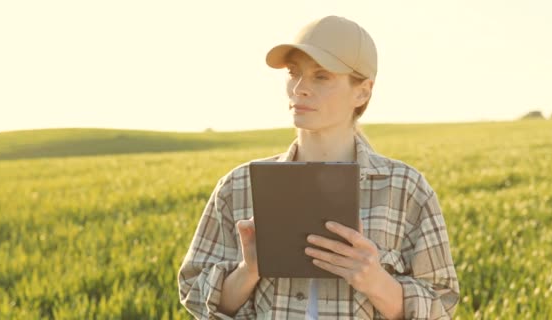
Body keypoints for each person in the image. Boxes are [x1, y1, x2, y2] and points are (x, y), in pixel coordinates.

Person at [178, 15, 459, 319]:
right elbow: (194, 295)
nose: (299, 88)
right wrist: (249, 271)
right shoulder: (237, 186)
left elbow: (441, 305)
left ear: (362, 91)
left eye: (321, 76)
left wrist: (375, 281)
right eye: (293, 73)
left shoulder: (407, 189)